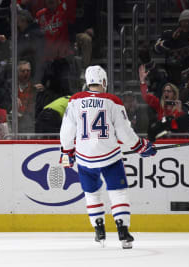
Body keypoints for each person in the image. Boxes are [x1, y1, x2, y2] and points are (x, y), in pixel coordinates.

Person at [59, 65, 157, 249]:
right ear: (104, 81)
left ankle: (99, 230)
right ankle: (123, 231)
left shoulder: (75, 100)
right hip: (110, 157)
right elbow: (125, 133)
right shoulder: (112, 101)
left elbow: (66, 132)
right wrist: (141, 147)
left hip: (84, 158)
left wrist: (67, 152)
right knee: (118, 192)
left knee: (92, 194)